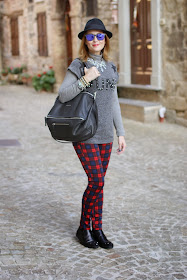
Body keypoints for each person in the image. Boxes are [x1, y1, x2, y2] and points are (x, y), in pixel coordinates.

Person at [58, 18, 126, 249]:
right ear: (85, 40)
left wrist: (121, 133)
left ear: (105, 39)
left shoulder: (112, 66)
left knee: (100, 183)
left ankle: (97, 228)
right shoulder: (78, 65)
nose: (95, 40)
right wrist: (86, 79)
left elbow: (113, 101)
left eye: (99, 36)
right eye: (90, 36)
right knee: (96, 180)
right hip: (85, 132)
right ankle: (83, 228)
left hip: (106, 134)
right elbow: (64, 95)